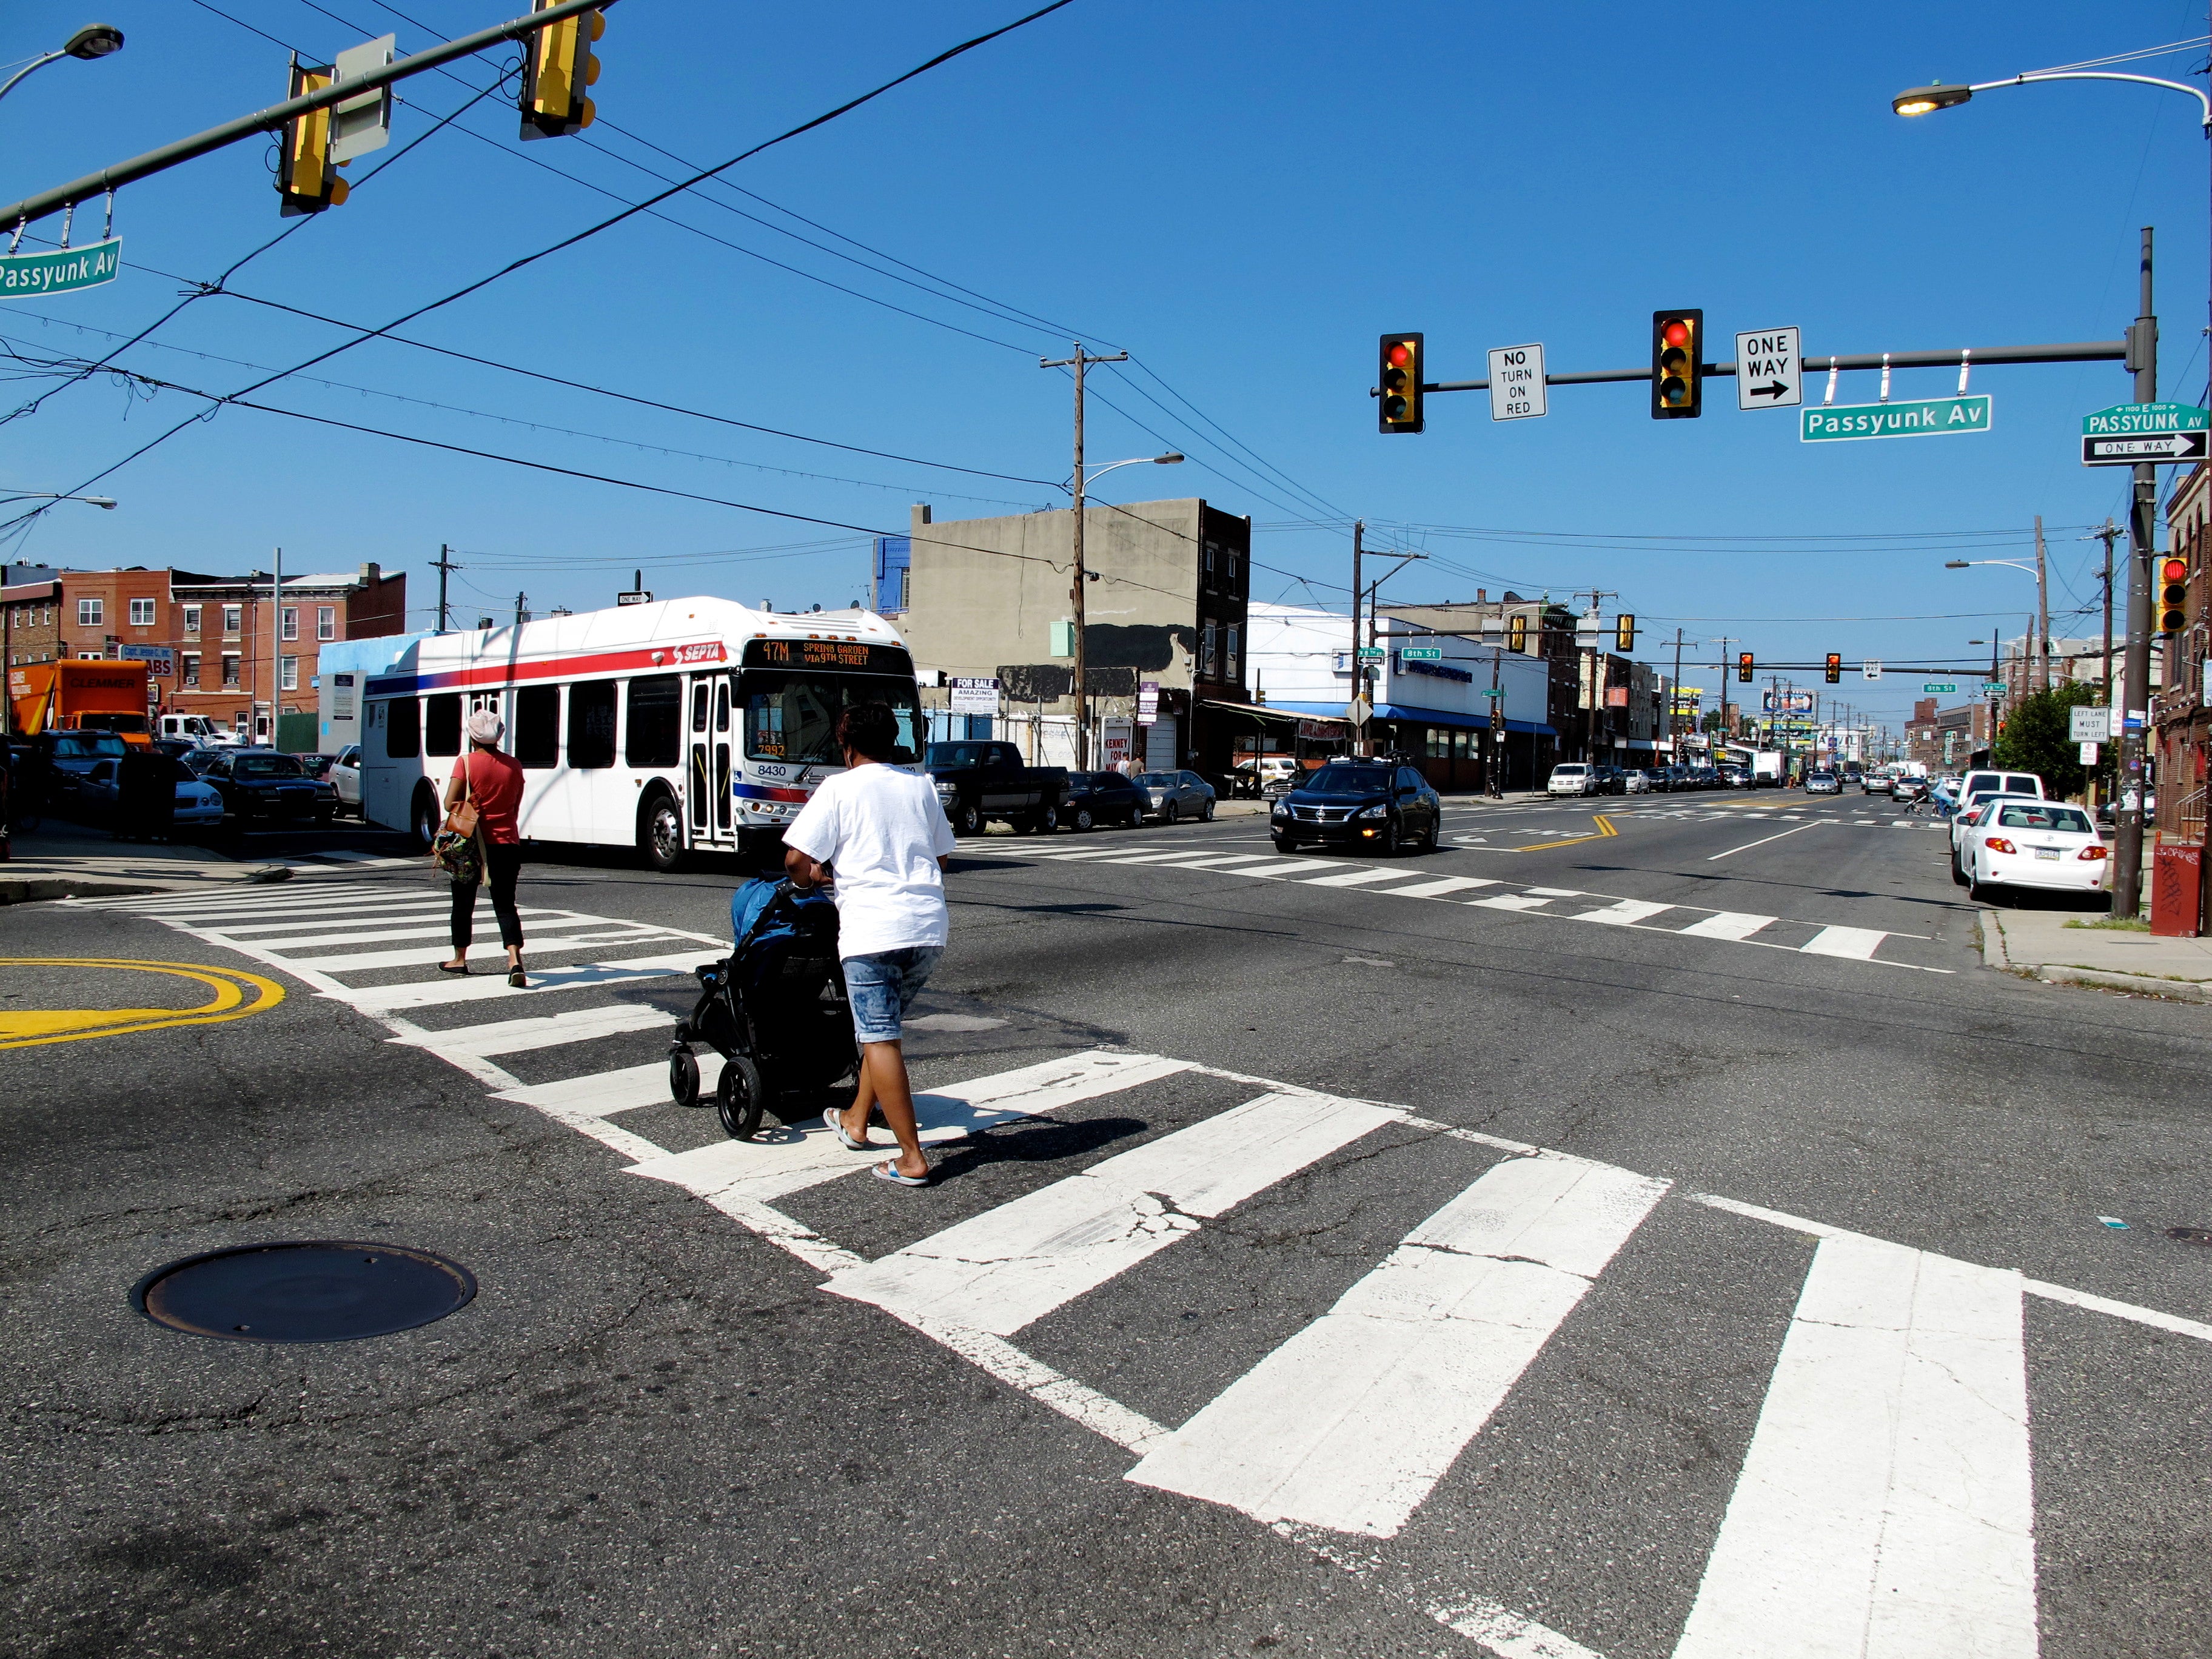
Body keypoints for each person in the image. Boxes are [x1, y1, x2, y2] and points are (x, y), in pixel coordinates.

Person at [782, 702, 954, 1187]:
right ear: (894, 741)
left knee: (880, 1038)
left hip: (873, 929)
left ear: (847, 743)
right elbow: (940, 856)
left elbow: (797, 858)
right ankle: (856, 1120)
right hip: (926, 929)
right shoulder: (920, 786)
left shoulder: (839, 788)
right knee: (880, 1030)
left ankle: (912, 1157)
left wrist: (813, 878)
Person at [440, 707, 528, 986]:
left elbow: (449, 803)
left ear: (472, 736)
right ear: (499, 735)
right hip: (507, 843)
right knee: (505, 904)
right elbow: (515, 806)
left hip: (470, 845)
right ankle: (514, 960)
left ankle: (459, 958)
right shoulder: (514, 765)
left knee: (463, 903)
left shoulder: (465, 763)